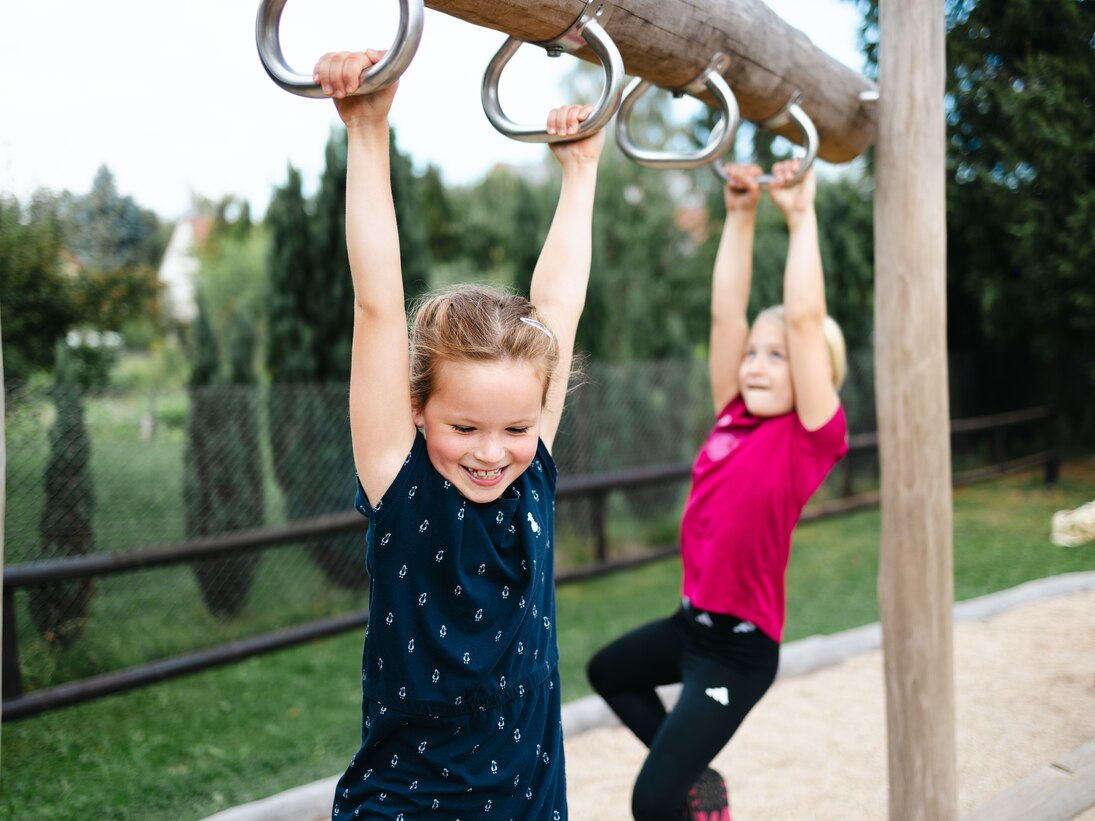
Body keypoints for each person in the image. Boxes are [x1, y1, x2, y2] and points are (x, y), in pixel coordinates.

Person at [312, 49, 605, 820]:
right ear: (416, 409)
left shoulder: (530, 467)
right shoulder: (400, 484)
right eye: (463, 425)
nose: (490, 449)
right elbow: (378, 305)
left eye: (515, 425)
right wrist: (367, 132)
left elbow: (557, 305)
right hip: (409, 808)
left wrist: (579, 175)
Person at [586, 159, 849, 821]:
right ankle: (700, 778)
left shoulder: (807, 437)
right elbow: (723, 312)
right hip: (689, 626)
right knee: (609, 671)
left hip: (736, 652)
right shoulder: (731, 409)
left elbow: (808, 316)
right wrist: (738, 214)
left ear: (815, 374)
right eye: (753, 351)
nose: (756, 362)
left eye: (779, 353)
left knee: (651, 800)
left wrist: (799, 215)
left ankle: (687, 789)